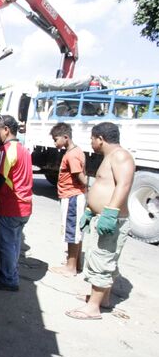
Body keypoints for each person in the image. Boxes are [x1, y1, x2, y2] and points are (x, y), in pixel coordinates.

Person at [65, 122, 135, 320]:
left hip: (111, 220)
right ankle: (103, 299)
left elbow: (124, 184)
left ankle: (93, 307)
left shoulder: (121, 156)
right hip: (101, 216)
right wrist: (89, 209)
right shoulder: (109, 157)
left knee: (102, 260)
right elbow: (104, 185)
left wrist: (110, 212)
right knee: (105, 259)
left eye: (92, 139)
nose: (91, 142)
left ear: (100, 139)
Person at [0, 115, 33, 291]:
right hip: (24, 206)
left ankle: (9, 279)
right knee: (14, 244)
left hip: (9, 206)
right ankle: (8, 272)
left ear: (6, 130)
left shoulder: (5, 151)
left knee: (7, 245)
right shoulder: (23, 150)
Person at [48, 123, 88, 277]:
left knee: (72, 231)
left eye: (55, 139)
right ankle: (75, 263)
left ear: (66, 137)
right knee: (76, 231)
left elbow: (80, 177)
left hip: (72, 196)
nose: (55, 143)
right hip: (73, 195)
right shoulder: (76, 151)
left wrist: (89, 189)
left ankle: (70, 268)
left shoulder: (72, 155)